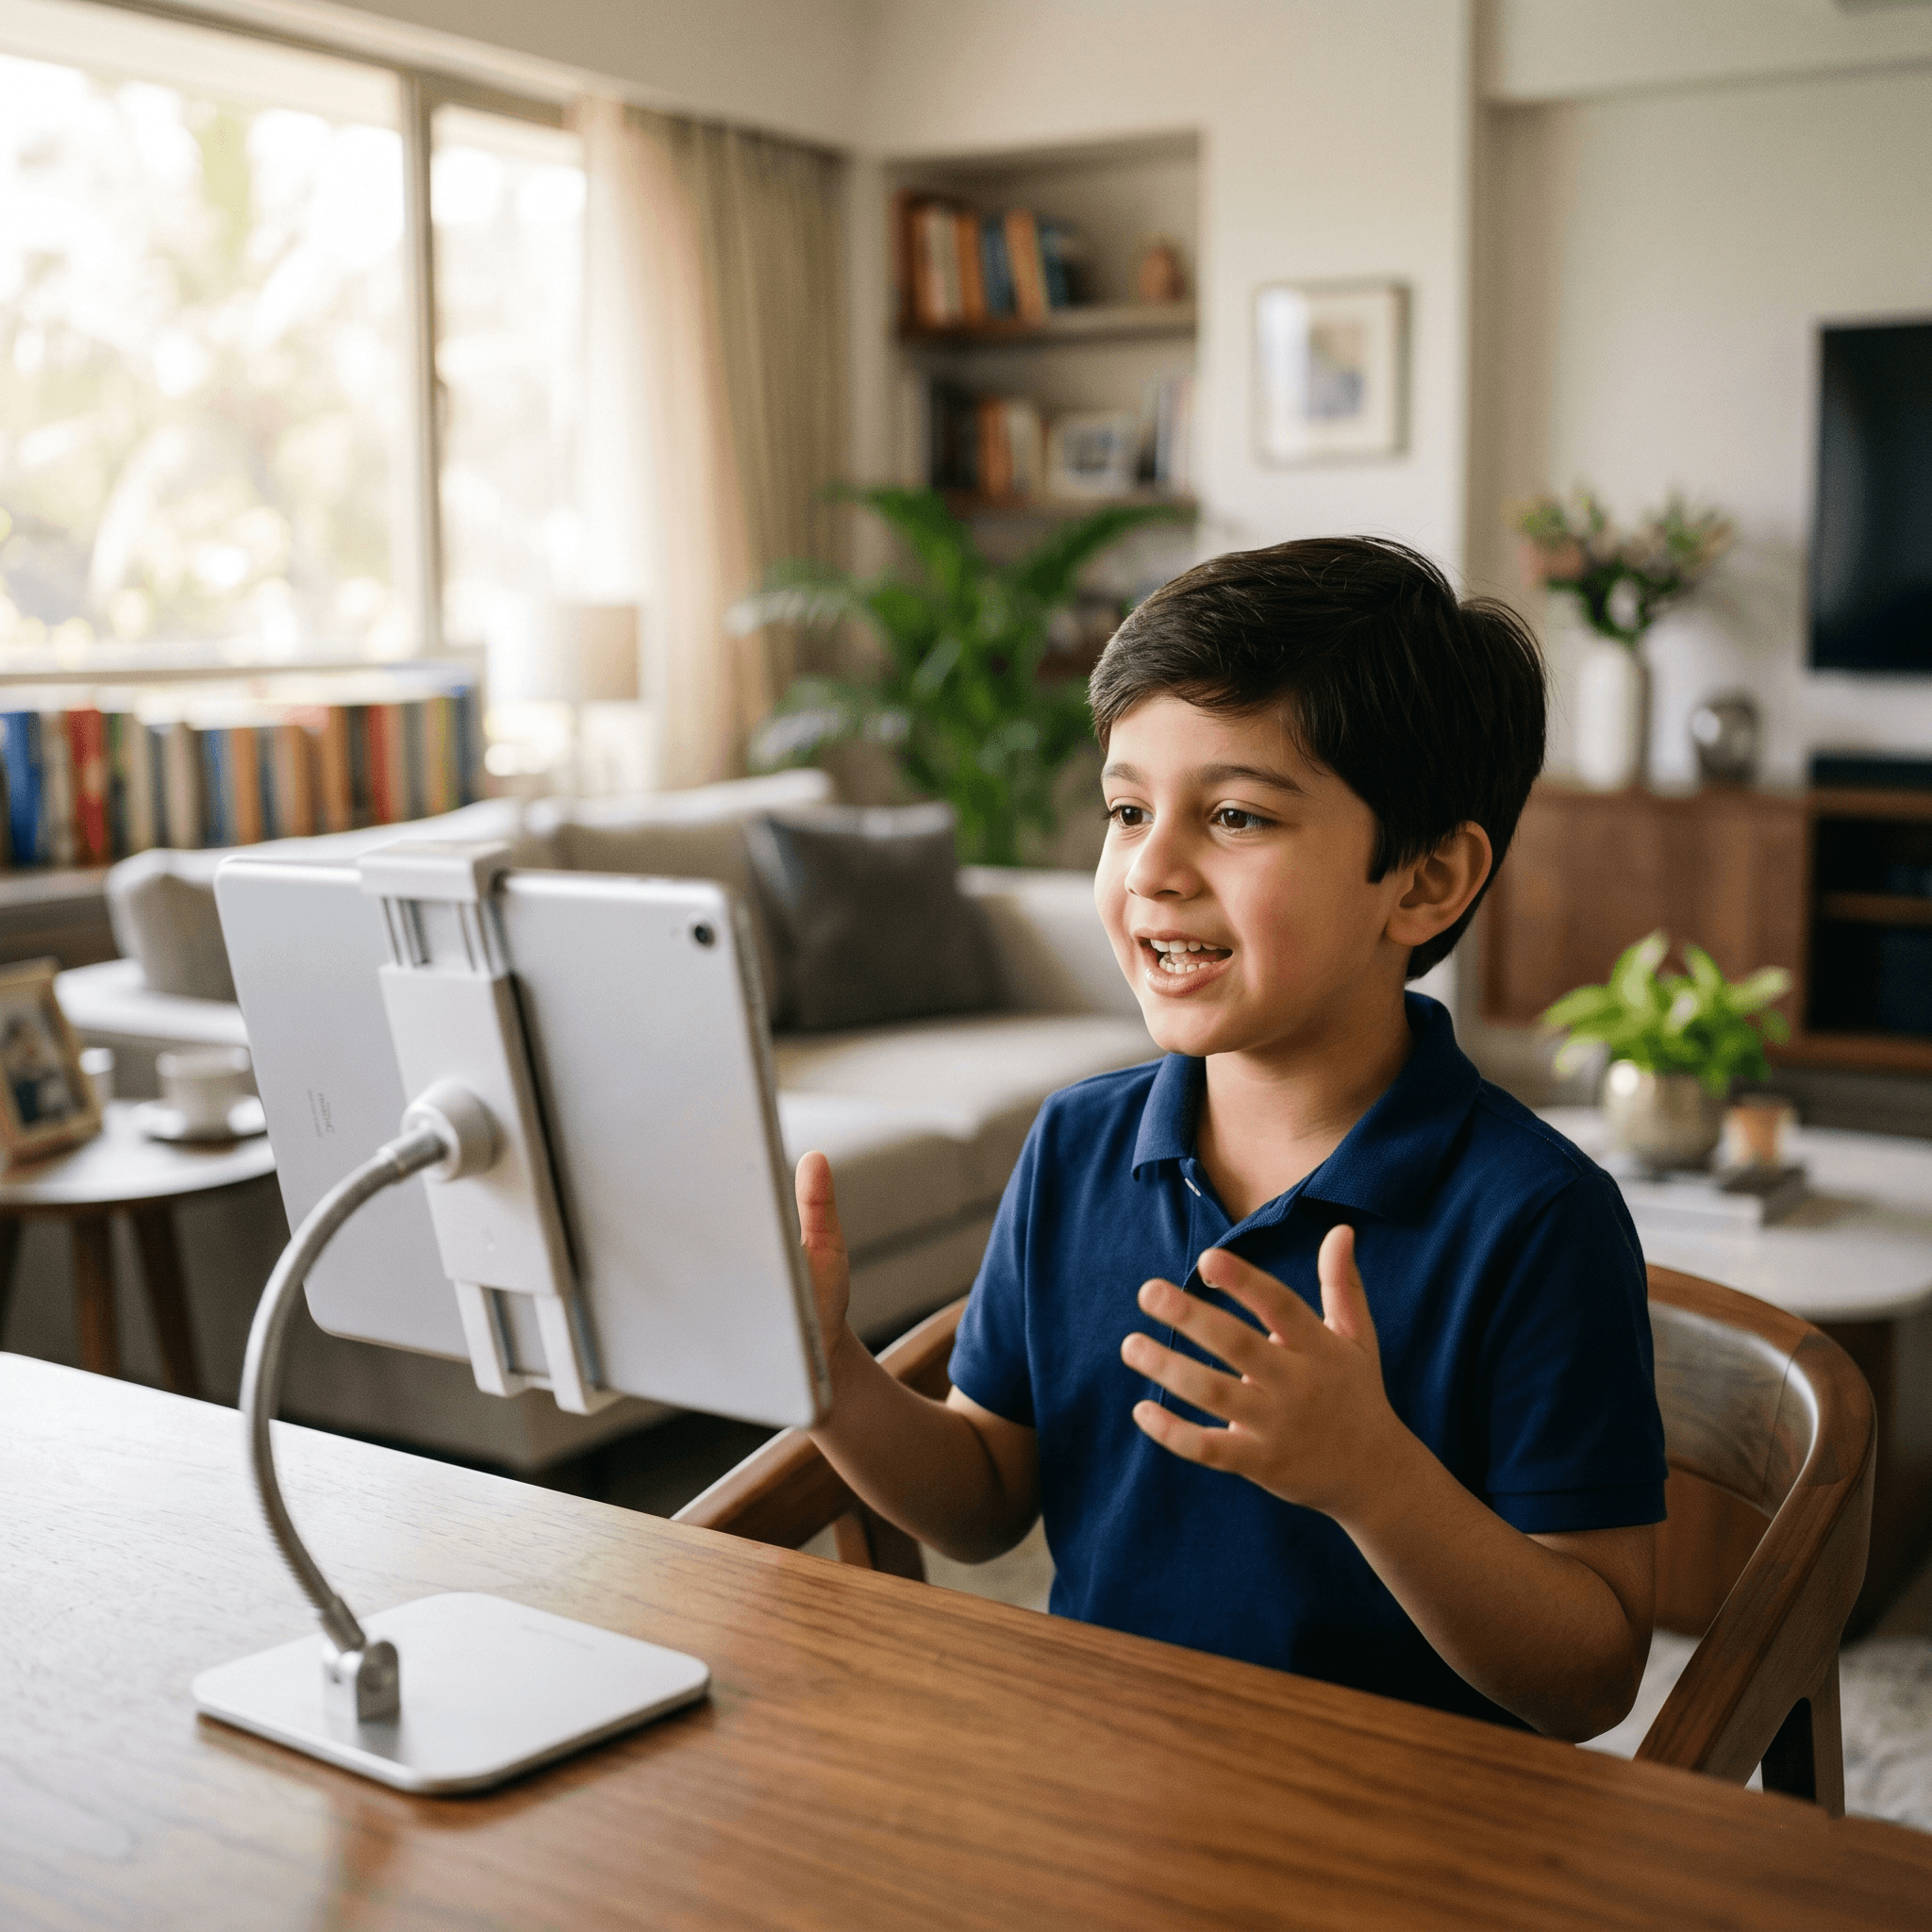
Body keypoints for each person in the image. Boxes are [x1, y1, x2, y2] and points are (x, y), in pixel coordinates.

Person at [795, 537, 1666, 1740]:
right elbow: (983, 1499)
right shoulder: (1075, 1146)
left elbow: (1591, 1672)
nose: (1150, 867)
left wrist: (1372, 1476)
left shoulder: (1534, 1217)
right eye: (1126, 808)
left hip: (1404, 1835)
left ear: (1422, 881)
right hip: (1107, 1791)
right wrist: (825, 1367)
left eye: (1235, 814)